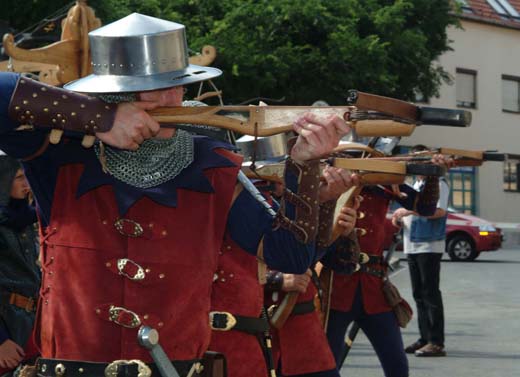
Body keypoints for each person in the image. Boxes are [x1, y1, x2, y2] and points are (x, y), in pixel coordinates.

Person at [0, 13, 349, 377]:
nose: (172, 99)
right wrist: (100, 118)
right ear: (114, 93)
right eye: (155, 88)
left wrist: (305, 165)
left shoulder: (209, 163)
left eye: (177, 85)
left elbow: (288, 256)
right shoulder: (58, 151)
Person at [208, 134, 357, 377]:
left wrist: (326, 203)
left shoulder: (272, 205)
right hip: (242, 331)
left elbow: (308, 259)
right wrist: (279, 280)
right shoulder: (242, 203)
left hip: (287, 330)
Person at [323, 155, 447, 377]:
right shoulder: (328, 185)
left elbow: (426, 208)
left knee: (397, 366)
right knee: (326, 366)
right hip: (335, 288)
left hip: (374, 289)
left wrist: (432, 176)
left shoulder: (383, 183)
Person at [391, 145, 449, 357]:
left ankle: (436, 341)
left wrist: (407, 210)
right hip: (412, 244)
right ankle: (425, 337)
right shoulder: (415, 183)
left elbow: (439, 211)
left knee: (430, 294)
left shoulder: (439, 183)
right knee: (419, 294)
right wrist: (399, 218)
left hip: (429, 245)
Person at [0, 156, 40, 374]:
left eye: (27, 176)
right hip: (6, 326)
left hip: (30, 323)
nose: (27, 183)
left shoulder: (28, 221)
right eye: (19, 177)